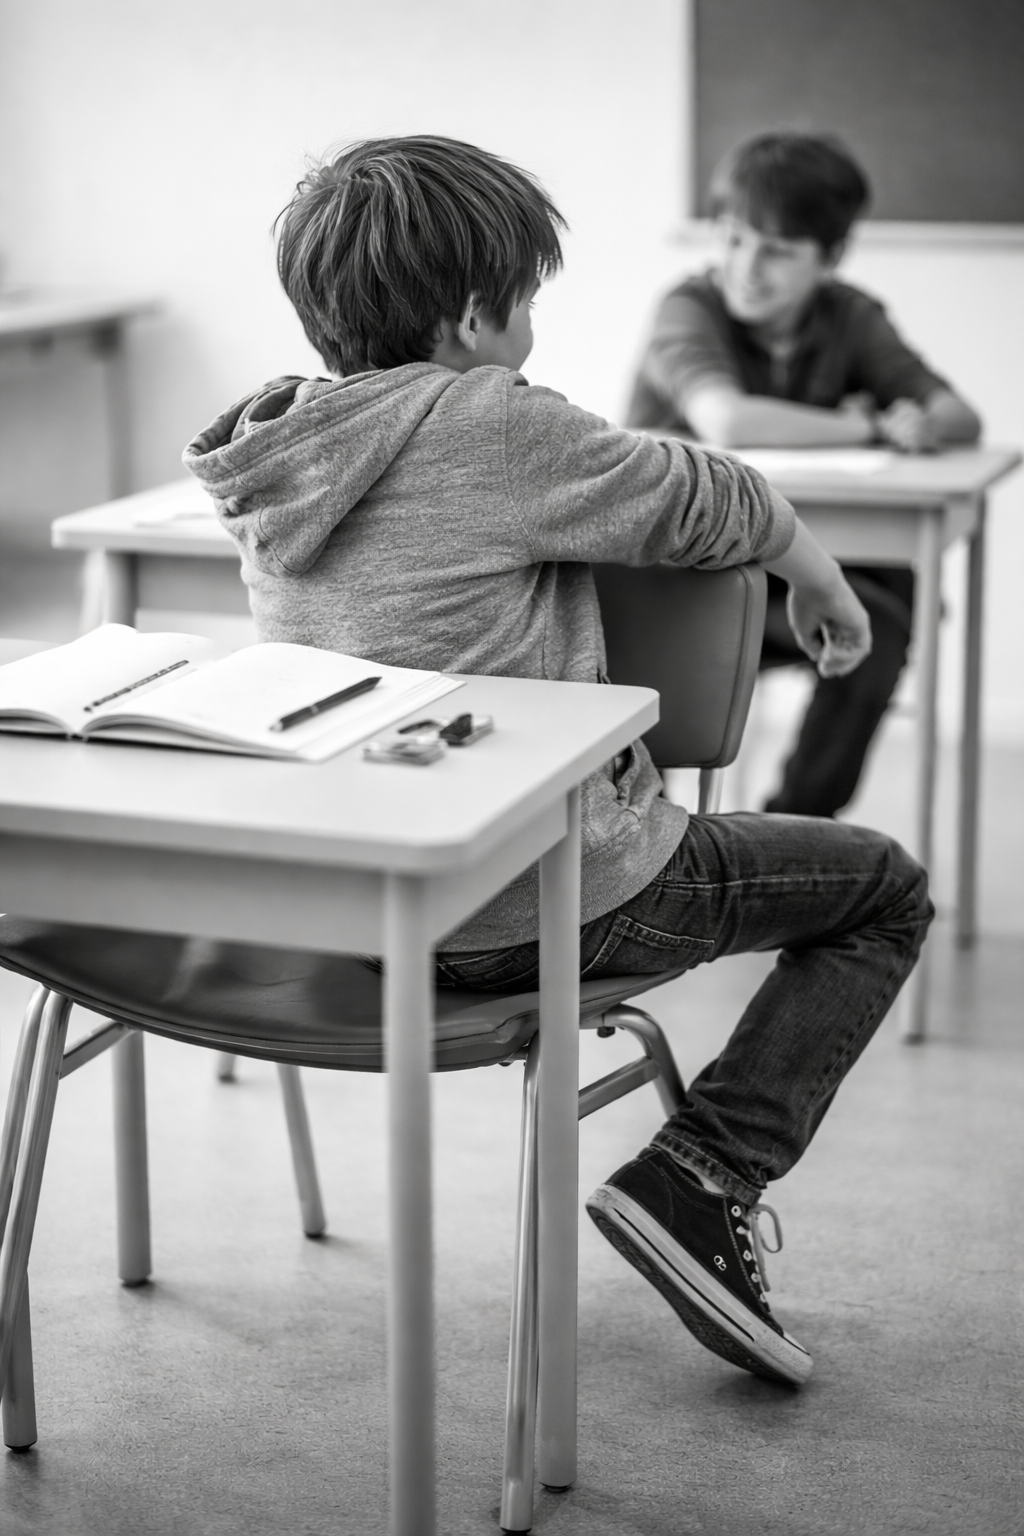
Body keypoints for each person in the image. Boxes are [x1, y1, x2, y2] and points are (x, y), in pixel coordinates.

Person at [183, 136, 932, 1389]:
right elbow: (721, 498)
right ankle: (699, 1176)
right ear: (476, 316)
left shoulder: (280, 443)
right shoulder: (490, 423)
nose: (532, 318)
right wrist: (829, 587)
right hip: (542, 893)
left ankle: (690, 1179)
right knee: (884, 889)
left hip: (367, 904)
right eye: (525, 295)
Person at [627, 132, 982, 817]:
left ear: (831, 258)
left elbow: (956, 413)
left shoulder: (850, 314)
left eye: (777, 251)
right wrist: (874, 425)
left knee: (883, 614)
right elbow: (728, 421)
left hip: (797, 570)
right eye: (734, 239)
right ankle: (659, 832)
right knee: (878, 619)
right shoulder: (688, 307)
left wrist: (920, 422)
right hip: (679, 584)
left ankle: (793, 827)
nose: (746, 267)